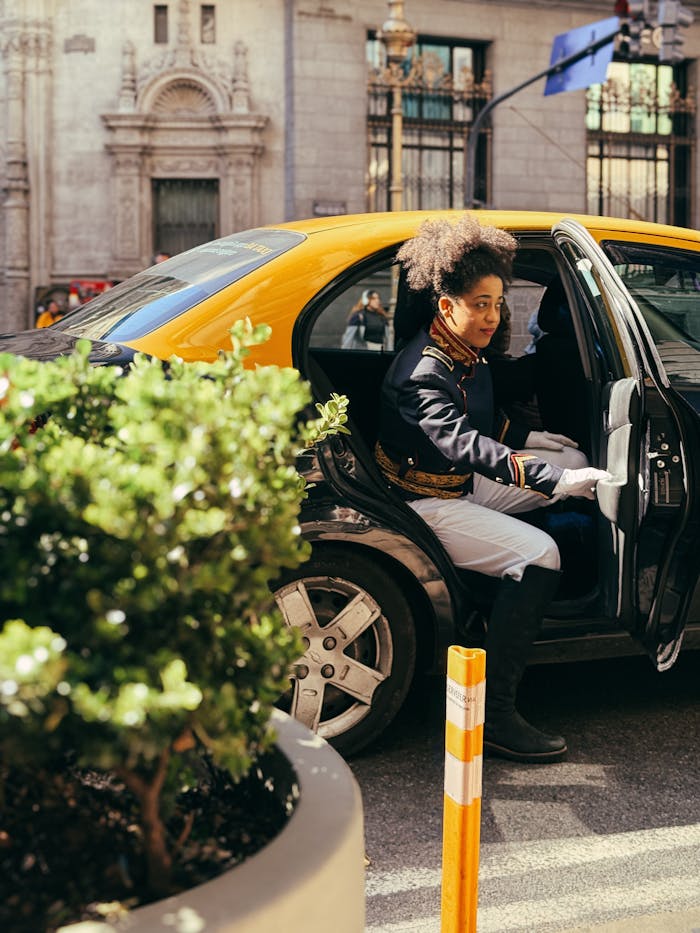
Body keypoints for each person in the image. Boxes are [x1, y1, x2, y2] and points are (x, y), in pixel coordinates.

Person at [374, 215, 611, 764]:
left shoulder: (458, 349)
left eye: (498, 302)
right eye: (479, 303)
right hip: (424, 504)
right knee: (541, 554)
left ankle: (495, 588)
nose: (492, 316)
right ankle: (497, 715)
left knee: (571, 455)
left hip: (457, 483)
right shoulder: (422, 371)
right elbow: (462, 443)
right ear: (446, 305)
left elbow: (480, 418)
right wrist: (554, 480)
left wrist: (531, 437)